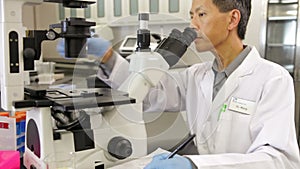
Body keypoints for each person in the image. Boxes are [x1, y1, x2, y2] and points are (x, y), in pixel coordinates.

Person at [58, 0, 300, 168]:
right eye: (191, 16)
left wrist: (194, 165)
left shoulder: (273, 79)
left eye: (201, 15)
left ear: (232, 19)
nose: (193, 25)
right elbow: (146, 93)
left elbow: (278, 160)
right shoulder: (197, 75)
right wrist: (108, 57)